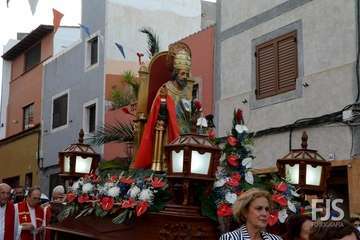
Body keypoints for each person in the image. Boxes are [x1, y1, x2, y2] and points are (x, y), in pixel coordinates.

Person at [132, 48, 193, 169]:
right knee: (164, 129)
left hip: (185, 128)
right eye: (182, 74)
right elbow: (156, 109)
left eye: (186, 74)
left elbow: (189, 112)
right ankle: (166, 165)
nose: (185, 77)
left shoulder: (187, 92)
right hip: (168, 125)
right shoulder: (166, 88)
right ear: (175, 73)